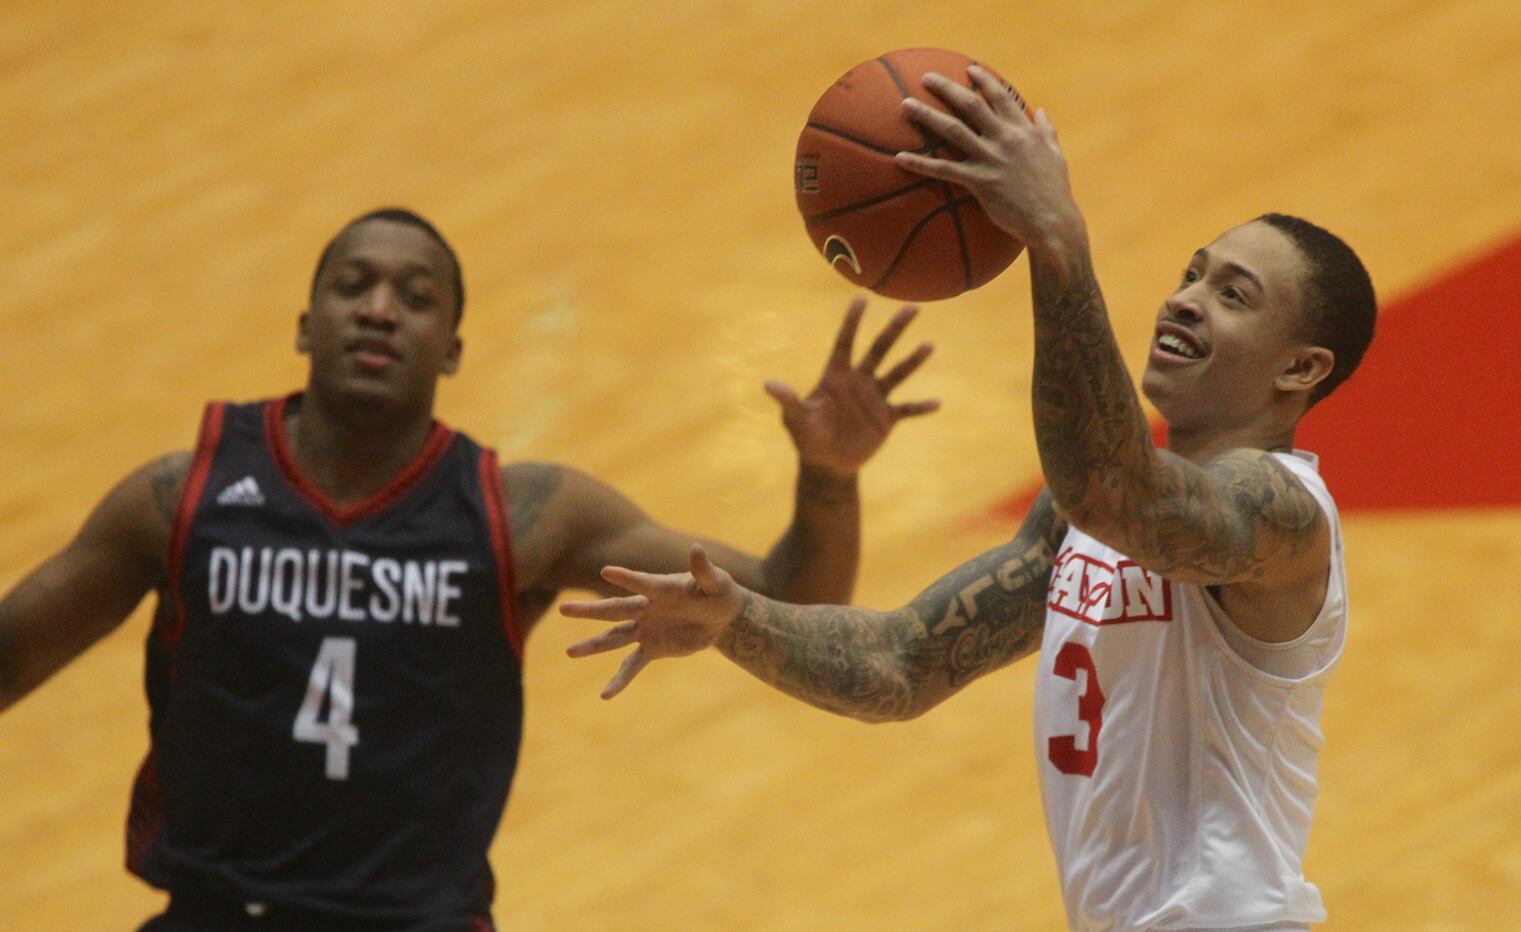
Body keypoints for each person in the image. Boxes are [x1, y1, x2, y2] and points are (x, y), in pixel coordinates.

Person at [562, 67, 1377, 931]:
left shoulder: (1284, 516)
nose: (1184, 299)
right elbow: (903, 662)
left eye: (1232, 294)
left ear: (1300, 368)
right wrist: (738, 622)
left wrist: (1055, 237)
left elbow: (1113, 486)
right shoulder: (1080, 525)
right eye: (1193, 272)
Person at [0, 207, 940, 931]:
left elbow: (800, 605)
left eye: (415, 297)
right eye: (353, 285)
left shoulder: (525, 514)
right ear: (304, 322)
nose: (379, 308)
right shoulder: (185, 495)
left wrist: (827, 480)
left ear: (452, 346)